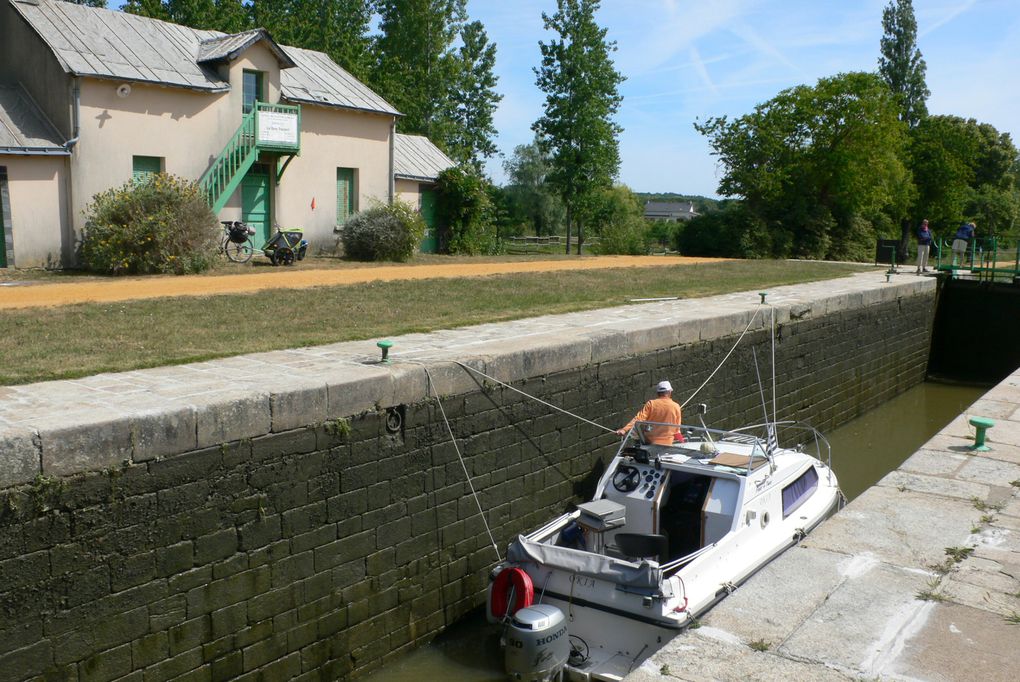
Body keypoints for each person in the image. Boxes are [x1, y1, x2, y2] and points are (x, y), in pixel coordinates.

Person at [616, 380, 682, 445]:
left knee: (636, 435)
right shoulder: (676, 407)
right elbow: (677, 431)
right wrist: (682, 441)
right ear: (670, 392)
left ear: (658, 393)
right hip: (668, 444)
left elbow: (638, 419)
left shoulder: (651, 404)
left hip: (650, 443)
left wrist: (624, 430)